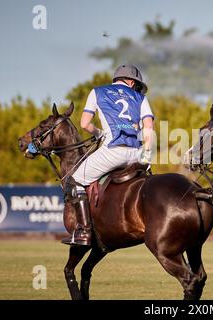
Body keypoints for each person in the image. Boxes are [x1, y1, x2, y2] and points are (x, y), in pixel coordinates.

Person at [62, 64, 155, 246]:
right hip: (136, 153)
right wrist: (147, 156)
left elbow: (84, 124)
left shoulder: (97, 92)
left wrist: (99, 133)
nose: (136, 89)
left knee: (74, 181)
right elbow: (148, 128)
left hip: (113, 151)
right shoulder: (141, 98)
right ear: (130, 81)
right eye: (136, 85)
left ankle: (84, 232)